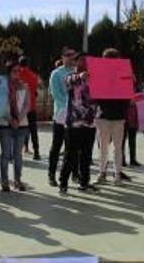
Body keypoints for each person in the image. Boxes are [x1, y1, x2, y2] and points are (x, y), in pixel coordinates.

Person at [58, 55, 98, 195]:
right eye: (81, 61)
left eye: (87, 61)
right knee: (70, 155)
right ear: (76, 63)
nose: (84, 63)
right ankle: (63, 183)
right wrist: (80, 76)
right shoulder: (71, 77)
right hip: (73, 124)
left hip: (90, 123)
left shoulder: (96, 79)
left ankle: (84, 183)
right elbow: (67, 82)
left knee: (87, 156)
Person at [94, 48, 132, 185]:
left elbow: (130, 97)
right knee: (103, 147)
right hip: (103, 116)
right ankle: (102, 173)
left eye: (112, 60)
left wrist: (130, 82)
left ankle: (117, 175)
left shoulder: (125, 75)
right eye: (106, 60)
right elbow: (94, 98)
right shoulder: (99, 75)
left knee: (117, 148)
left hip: (119, 116)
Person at [0, 60, 31, 192]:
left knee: (18, 154)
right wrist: (10, 119)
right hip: (5, 123)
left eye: (18, 71)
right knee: (5, 154)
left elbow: (27, 105)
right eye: (14, 71)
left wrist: (19, 118)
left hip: (21, 124)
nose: (17, 74)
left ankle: (18, 180)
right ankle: (4, 181)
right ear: (8, 72)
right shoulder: (1, 87)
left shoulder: (24, 86)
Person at [48, 47, 77, 187]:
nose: (71, 57)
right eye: (68, 55)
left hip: (76, 116)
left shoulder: (78, 72)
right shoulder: (56, 73)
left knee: (72, 148)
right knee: (57, 145)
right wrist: (69, 105)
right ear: (63, 57)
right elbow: (56, 94)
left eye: (73, 55)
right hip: (61, 114)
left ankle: (74, 174)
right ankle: (51, 175)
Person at [18, 56, 41, 160]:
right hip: (31, 106)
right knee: (33, 129)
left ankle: (20, 149)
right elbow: (35, 90)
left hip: (19, 107)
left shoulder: (17, 75)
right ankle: (36, 151)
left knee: (20, 129)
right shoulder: (34, 76)